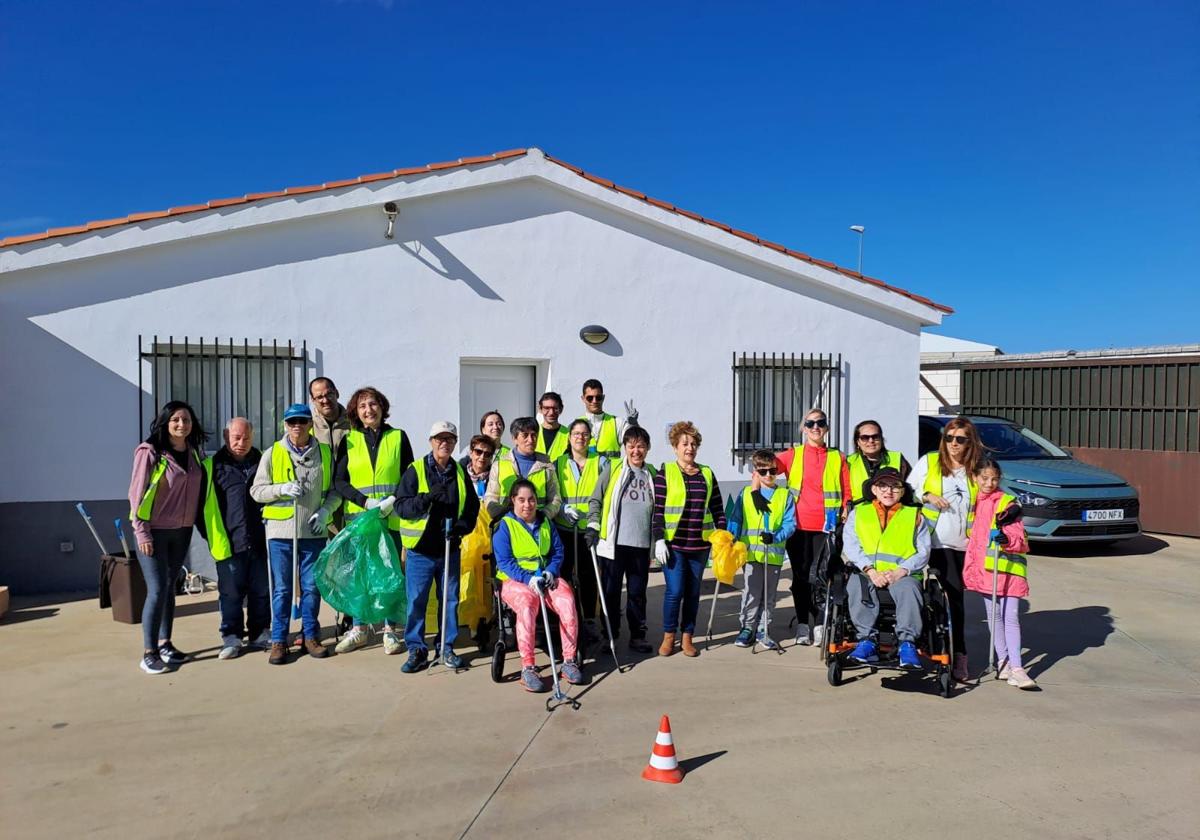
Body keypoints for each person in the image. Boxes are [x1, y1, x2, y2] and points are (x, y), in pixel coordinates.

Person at [250, 404, 341, 665]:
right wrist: (280, 489)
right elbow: (257, 491)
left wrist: (325, 512)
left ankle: (310, 635)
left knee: (312, 588)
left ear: (310, 424)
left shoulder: (324, 453)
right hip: (280, 533)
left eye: (301, 421)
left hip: (312, 532)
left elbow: (335, 491)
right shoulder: (272, 453)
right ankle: (279, 640)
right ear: (285, 425)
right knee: (281, 590)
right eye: (291, 422)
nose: (297, 426)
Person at [332, 386, 414, 655]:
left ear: (382, 406)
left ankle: (390, 629)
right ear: (355, 411)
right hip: (361, 519)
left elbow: (409, 476)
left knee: (390, 574)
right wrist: (364, 502)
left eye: (373, 404)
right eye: (363, 406)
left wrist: (392, 501)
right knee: (360, 576)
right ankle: (360, 628)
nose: (369, 410)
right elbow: (339, 481)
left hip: (390, 519)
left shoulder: (398, 437)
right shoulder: (349, 440)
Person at [127, 401, 207, 674]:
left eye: (186, 419)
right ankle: (149, 653)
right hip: (154, 532)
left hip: (182, 531)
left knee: (170, 587)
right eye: (175, 419)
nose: (181, 424)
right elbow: (136, 495)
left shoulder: (194, 453)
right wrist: (141, 531)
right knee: (158, 589)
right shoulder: (150, 452)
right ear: (165, 422)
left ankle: (165, 644)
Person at [395, 421, 480, 673]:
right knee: (417, 602)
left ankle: (446, 646)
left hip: (449, 548)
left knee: (450, 600)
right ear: (431, 441)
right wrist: (427, 498)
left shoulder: (460, 471)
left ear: (455, 443)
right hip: (421, 551)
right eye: (439, 439)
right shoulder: (416, 470)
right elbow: (402, 506)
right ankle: (416, 650)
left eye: (450, 439)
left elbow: (472, 507)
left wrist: (462, 527)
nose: (445, 443)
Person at [909, 416, 982, 682]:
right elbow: (908, 488)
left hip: (962, 544)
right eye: (949, 438)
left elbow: (993, 496)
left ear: (969, 442)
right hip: (931, 540)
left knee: (955, 601)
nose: (953, 444)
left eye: (960, 439)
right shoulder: (929, 462)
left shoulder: (976, 469)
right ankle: (926, 645)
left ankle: (958, 654)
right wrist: (927, 495)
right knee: (930, 596)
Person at [493, 480, 583, 692]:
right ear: (513, 500)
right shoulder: (505, 526)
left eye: (531, 499)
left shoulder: (545, 523)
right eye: (522, 500)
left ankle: (569, 661)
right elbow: (505, 562)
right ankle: (528, 668)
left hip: (545, 577)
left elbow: (558, 551)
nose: (527, 505)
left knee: (567, 601)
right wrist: (527, 579)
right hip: (515, 581)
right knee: (526, 605)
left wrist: (551, 570)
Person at [840, 467, 930, 670]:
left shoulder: (914, 516)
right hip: (867, 572)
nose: (888, 491)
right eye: (882, 485)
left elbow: (923, 551)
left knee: (909, 589)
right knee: (855, 585)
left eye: (895, 486)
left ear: (902, 491)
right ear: (873, 489)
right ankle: (866, 641)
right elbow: (851, 545)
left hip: (901, 575)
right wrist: (870, 571)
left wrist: (901, 571)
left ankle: (907, 644)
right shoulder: (859, 513)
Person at [775, 407, 851, 647]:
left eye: (820, 423)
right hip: (798, 526)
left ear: (826, 427)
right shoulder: (793, 455)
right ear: (803, 428)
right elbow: (763, 467)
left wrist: (847, 507)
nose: (815, 427)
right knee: (800, 577)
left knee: (822, 576)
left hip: (826, 526)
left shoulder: (837, 457)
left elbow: (847, 488)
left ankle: (819, 624)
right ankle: (802, 624)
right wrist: (755, 491)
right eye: (810, 423)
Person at [652, 421, 726, 657]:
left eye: (693, 444)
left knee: (693, 592)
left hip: (699, 545)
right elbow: (658, 509)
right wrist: (658, 539)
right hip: (674, 546)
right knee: (675, 591)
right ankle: (668, 636)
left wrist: (721, 535)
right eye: (684, 444)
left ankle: (687, 637)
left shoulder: (706, 473)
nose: (689, 448)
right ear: (675, 447)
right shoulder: (667, 471)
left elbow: (717, 507)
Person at [199, 417, 270, 660]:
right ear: (225, 437)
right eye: (236, 438)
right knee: (230, 594)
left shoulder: (263, 462)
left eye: (246, 437)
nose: (242, 442)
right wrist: (210, 537)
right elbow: (201, 508)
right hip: (229, 543)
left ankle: (260, 634)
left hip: (260, 541)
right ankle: (231, 638)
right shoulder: (212, 466)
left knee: (261, 591)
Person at [963, 459, 1035, 689]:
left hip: (1009, 571)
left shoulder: (1006, 502)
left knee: (1011, 617)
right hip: (987, 571)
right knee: (993, 617)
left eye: (994, 479)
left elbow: (1020, 536)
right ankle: (1002, 661)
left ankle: (1017, 667)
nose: (989, 483)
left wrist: (1008, 540)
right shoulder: (972, 501)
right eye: (984, 478)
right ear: (975, 478)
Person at [586, 425, 657, 654]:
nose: (636, 451)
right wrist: (594, 524)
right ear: (625, 448)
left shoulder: (653, 473)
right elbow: (595, 499)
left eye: (641, 446)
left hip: (641, 545)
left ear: (647, 449)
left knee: (637, 593)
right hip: (614, 545)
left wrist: (660, 541)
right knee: (611, 592)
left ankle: (638, 636)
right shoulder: (613, 468)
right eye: (631, 446)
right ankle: (610, 635)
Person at [728, 449, 796, 650]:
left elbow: (790, 524)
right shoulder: (746, 494)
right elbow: (736, 518)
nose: (768, 475)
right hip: (750, 554)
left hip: (772, 555)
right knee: (751, 592)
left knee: (769, 595)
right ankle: (747, 626)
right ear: (755, 472)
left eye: (772, 471)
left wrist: (775, 537)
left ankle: (764, 628)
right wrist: (732, 536)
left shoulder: (785, 495)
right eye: (763, 471)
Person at [484, 417, 562, 521]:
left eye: (533, 435)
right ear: (514, 438)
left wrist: (543, 516)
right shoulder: (499, 464)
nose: (530, 440)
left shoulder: (546, 465)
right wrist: (504, 517)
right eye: (525, 435)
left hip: (538, 526)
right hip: (508, 525)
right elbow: (490, 497)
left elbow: (555, 499)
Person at [847, 419, 913, 505]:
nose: (871, 441)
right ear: (857, 442)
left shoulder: (898, 458)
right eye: (865, 438)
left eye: (875, 437)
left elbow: (911, 489)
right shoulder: (849, 462)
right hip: (860, 515)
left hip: (893, 514)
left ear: (882, 439)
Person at [579, 379, 638, 459]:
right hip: (586, 471)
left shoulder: (617, 423)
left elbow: (639, 443)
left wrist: (634, 424)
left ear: (603, 398)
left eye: (598, 397)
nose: (594, 401)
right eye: (590, 398)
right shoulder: (576, 426)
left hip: (613, 471)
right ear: (583, 399)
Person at [535, 391, 570, 462]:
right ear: (540, 409)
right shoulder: (532, 433)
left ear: (561, 409)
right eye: (546, 408)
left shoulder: (569, 435)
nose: (551, 412)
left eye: (555, 408)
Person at [460, 434, 496, 499]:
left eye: (487, 454)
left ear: (491, 457)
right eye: (478, 452)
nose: (482, 457)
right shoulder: (459, 474)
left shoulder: (495, 478)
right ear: (471, 453)